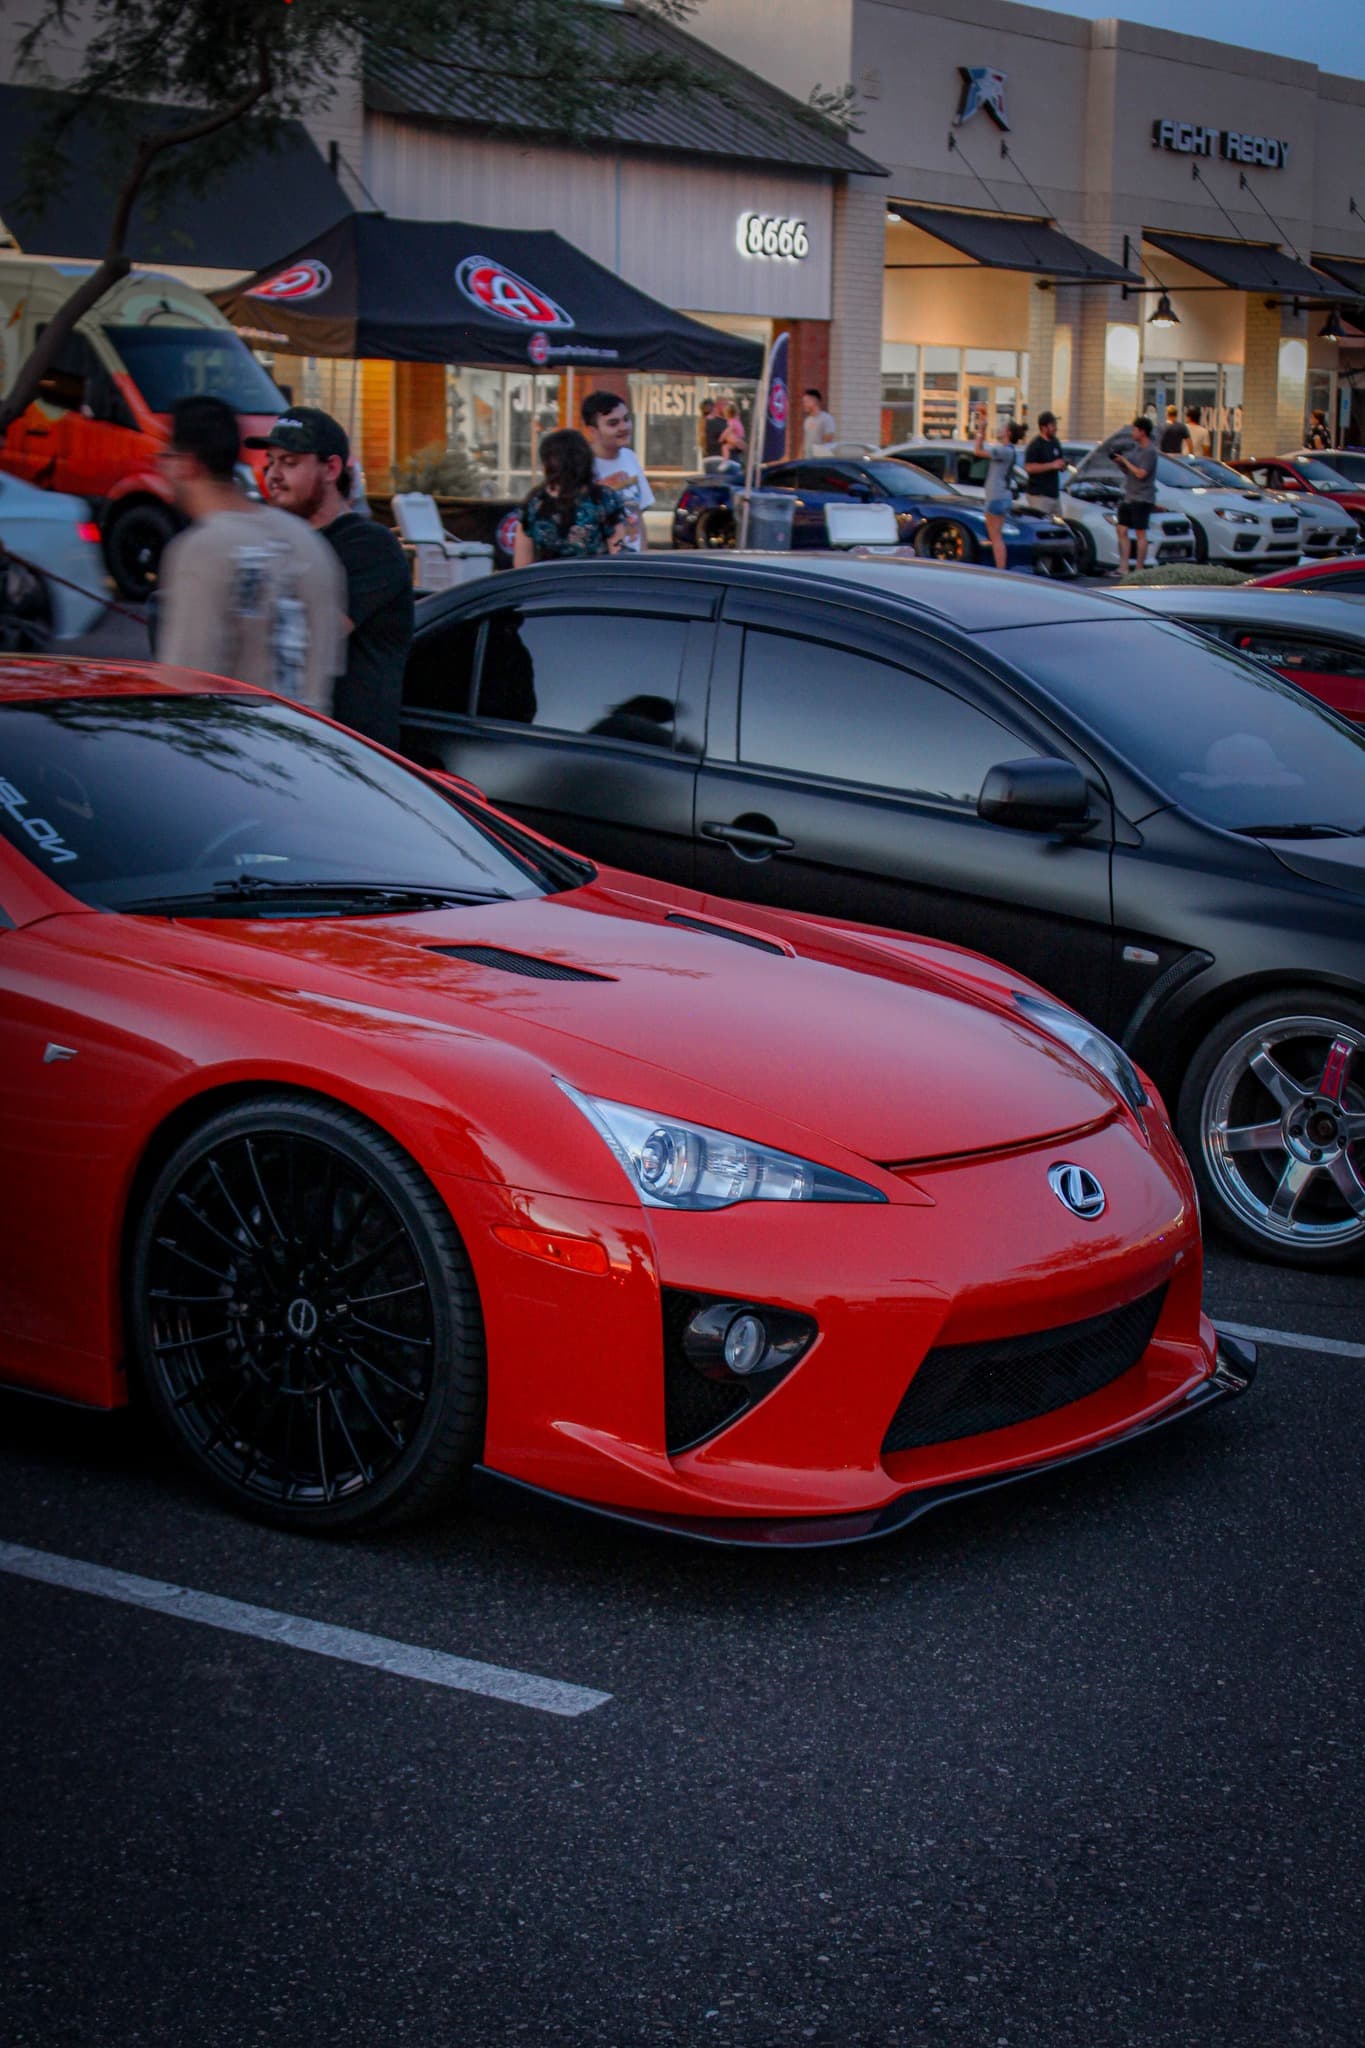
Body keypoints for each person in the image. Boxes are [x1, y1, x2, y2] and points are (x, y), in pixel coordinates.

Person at [156, 395, 345, 711]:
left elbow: (186, 688)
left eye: (165, 456)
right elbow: (326, 665)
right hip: (308, 748)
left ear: (186, 464)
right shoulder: (309, 545)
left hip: (234, 752)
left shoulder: (202, 550)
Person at [252, 407, 413, 750]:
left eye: (290, 462)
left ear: (331, 468)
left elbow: (308, 634)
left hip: (351, 757)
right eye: (271, 460)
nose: (273, 474)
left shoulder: (369, 546)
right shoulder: (276, 541)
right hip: (285, 741)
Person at [513, 428, 627, 565]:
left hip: (547, 583)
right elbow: (619, 557)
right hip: (594, 582)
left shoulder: (534, 503)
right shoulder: (604, 499)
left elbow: (521, 566)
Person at [581, 389, 654, 553]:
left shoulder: (630, 457)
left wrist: (644, 558)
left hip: (633, 562)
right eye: (613, 423)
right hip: (602, 565)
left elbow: (638, 514)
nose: (624, 427)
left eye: (626, 419)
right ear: (592, 431)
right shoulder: (583, 465)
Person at [1099, 415, 1158, 572]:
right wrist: (1120, 462)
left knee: (1140, 533)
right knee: (1121, 529)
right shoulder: (1135, 449)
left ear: (1142, 432)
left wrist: (1125, 462)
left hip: (1143, 497)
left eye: (1135, 430)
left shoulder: (1150, 452)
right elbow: (1129, 472)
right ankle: (1123, 566)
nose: (1132, 433)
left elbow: (1141, 474)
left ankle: (1139, 568)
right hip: (1129, 495)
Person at [972, 408, 1027, 569]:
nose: (1000, 430)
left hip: (996, 496)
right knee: (996, 536)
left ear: (1008, 433)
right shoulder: (1007, 451)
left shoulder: (1004, 451)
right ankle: (999, 566)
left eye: (1003, 428)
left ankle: (1000, 569)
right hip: (1002, 495)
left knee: (995, 537)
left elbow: (978, 451)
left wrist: (981, 428)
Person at [1022, 410, 1068, 516]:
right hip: (1039, 496)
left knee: (1059, 527)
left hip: (1054, 495)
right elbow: (1029, 467)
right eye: (1052, 425)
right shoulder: (1035, 445)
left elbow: (1059, 461)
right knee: (1042, 525)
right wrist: (1052, 465)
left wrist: (1063, 465)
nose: (1055, 428)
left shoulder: (1055, 442)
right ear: (1044, 427)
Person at [801, 387, 836, 456]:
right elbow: (806, 440)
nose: (804, 404)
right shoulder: (807, 420)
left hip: (820, 460)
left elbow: (828, 438)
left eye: (806, 402)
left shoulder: (826, 418)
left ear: (814, 401)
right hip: (808, 459)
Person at [719, 400, 747, 465]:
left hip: (738, 438)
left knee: (725, 447)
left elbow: (728, 430)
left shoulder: (731, 421)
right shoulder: (737, 420)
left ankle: (725, 461)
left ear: (727, 414)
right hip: (741, 437)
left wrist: (722, 437)